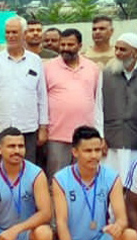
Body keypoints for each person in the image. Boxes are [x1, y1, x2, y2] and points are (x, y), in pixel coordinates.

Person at [50, 126, 137, 240]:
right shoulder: (61, 179)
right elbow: (61, 223)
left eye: (97, 150)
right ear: (75, 152)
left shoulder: (111, 177)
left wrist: (118, 226)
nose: (94, 155)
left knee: (130, 236)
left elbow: (122, 218)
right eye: (88, 150)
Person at [0, 16, 48, 164]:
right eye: (7, 32)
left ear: (24, 34)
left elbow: (41, 96)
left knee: (28, 170)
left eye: (14, 32)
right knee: (2, 170)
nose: (10, 36)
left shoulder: (35, 61)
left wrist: (43, 127)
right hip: (1, 128)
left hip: (28, 128)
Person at [44, 28, 103, 177]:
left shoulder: (93, 68)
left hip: (86, 137)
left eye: (70, 45)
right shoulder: (47, 68)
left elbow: (98, 101)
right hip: (57, 136)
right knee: (57, 180)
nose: (65, 49)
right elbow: (41, 101)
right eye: (62, 45)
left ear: (80, 45)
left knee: (85, 179)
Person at [101, 33, 137, 181]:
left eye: (123, 50)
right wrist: (100, 137)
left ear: (136, 53)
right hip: (111, 141)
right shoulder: (105, 75)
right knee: (111, 185)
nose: (118, 53)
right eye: (116, 49)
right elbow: (98, 108)